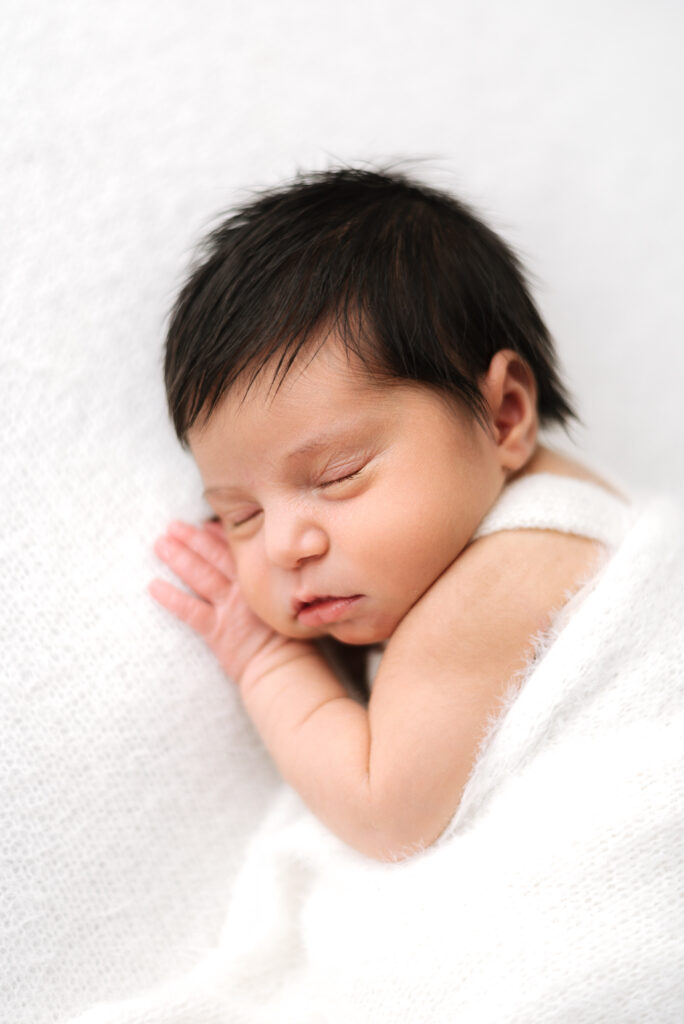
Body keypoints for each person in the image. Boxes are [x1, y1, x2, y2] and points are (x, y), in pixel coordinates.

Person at [149, 165, 628, 861]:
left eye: (338, 476)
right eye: (239, 515)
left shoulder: (504, 579)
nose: (285, 545)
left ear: (503, 417)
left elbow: (385, 814)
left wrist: (266, 661)